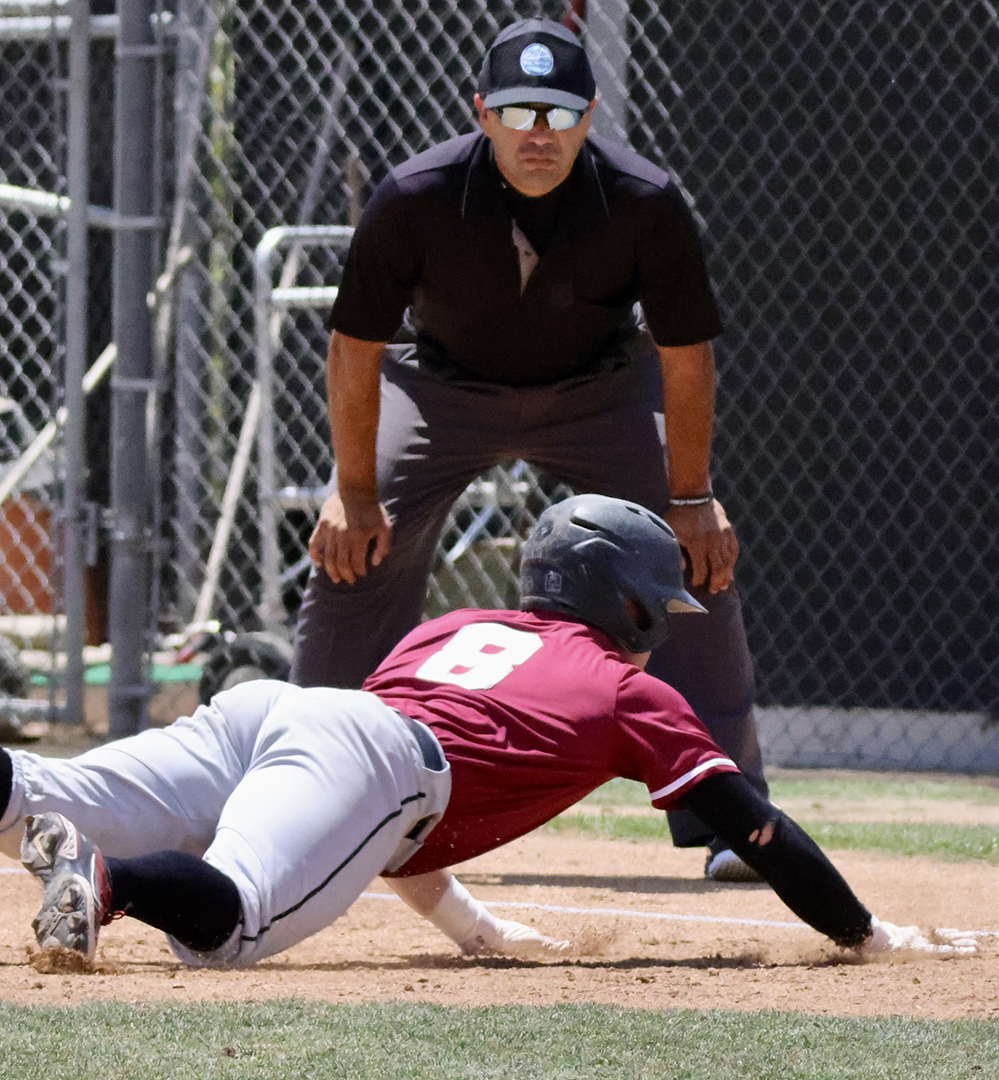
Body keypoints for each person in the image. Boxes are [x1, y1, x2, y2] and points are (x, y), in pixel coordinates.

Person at [0, 496, 972, 968]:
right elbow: (753, 827)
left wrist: (476, 932)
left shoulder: (463, 624)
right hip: (374, 754)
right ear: (629, 605)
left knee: (30, 788)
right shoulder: (623, 688)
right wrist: (862, 934)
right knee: (229, 923)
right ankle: (108, 884)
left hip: (277, 710)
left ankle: (82, 854)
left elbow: (385, 822)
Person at [293, 17, 764, 881]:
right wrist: (352, 488)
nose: (536, 133)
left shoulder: (645, 200)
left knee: (691, 557)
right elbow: (355, 346)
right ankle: (301, 797)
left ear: (588, 116)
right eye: (516, 110)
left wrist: (691, 499)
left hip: (600, 394)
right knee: (354, 547)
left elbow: (686, 353)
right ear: (481, 113)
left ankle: (732, 820)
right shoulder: (413, 193)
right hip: (439, 390)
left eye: (555, 113)